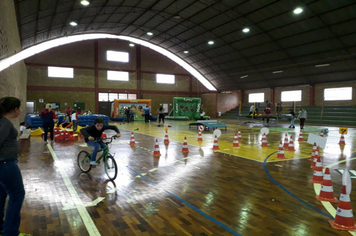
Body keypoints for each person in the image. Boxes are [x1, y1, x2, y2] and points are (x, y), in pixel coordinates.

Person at [0, 97, 31, 236]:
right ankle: (11, 233)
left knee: (1, 194)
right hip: (6, 164)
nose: (20, 110)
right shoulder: (4, 124)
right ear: (14, 110)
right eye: (19, 108)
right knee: (17, 195)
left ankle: (2, 227)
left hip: (4, 163)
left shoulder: (3, 122)